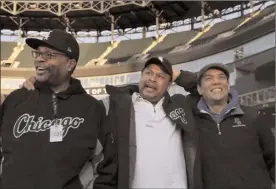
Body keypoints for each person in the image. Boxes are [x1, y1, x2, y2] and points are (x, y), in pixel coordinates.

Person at [22, 56, 202, 189]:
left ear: (170, 84)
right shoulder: (115, 105)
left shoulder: (181, 104)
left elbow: (202, 89)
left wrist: (177, 74)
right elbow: (74, 104)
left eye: (161, 76)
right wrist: (42, 87)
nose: (152, 79)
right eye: (148, 73)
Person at [0, 29, 104, 189]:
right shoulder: (15, 100)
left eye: (49, 55)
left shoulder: (92, 109)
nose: (39, 59)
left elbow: (104, 165)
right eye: (37, 53)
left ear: (70, 64)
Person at [174, 63, 275, 189]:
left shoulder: (252, 116)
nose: (216, 82)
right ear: (199, 89)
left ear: (228, 85)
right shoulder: (191, 121)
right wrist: (179, 75)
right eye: (209, 78)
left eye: (222, 77)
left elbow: (273, 159)